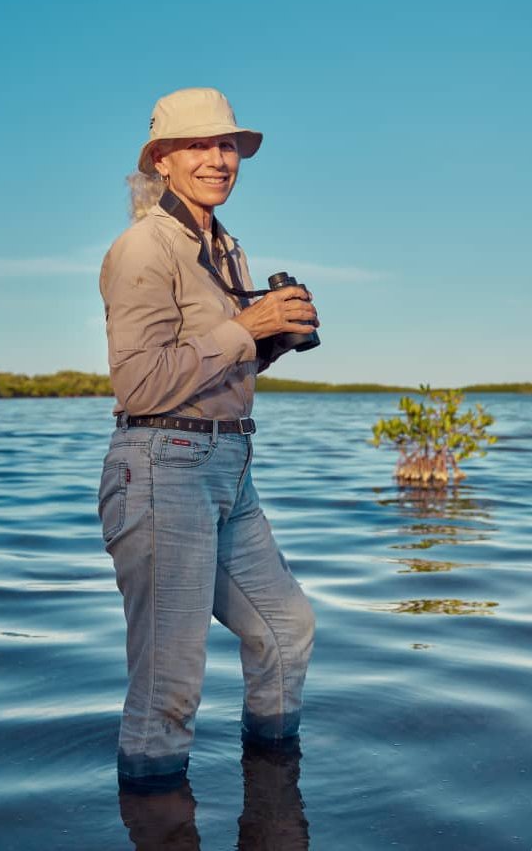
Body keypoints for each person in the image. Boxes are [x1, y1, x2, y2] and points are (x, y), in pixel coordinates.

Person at [98, 87, 318, 790]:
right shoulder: (142, 248)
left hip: (229, 463)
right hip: (163, 465)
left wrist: (273, 341)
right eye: (199, 145)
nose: (219, 159)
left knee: (287, 630)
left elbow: (216, 361)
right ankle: (156, 818)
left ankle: (277, 794)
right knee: (169, 688)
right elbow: (140, 385)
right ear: (162, 160)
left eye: (227, 146)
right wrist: (243, 330)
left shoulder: (224, 247)